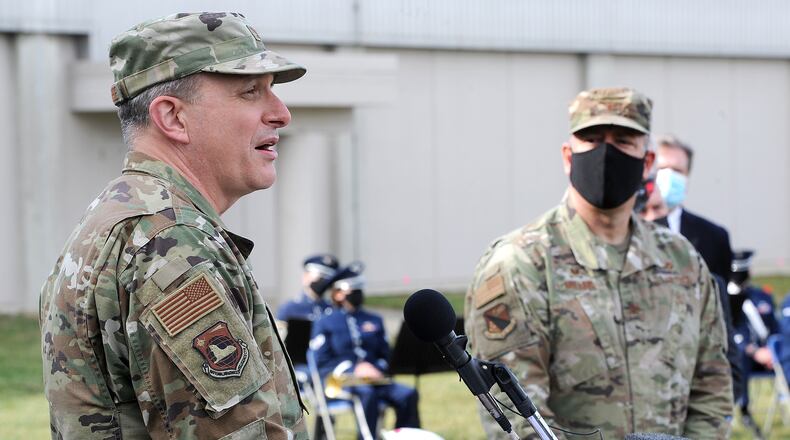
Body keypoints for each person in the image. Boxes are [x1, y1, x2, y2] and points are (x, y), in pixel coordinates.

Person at [39, 12, 309, 439]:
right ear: (172, 117)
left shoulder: (116, 218)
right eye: (250, 92)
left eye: (272, 91)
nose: (280, 114)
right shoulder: (170, 243)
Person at [465, 87, 733, 439]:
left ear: (647, 163)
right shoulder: (521, 264)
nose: (606, 153)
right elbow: (515, 413)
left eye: (623, 141)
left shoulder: (682, 263)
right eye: (591, 139)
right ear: (567, 156)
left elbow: (712, 387)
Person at [310, 263, 420, 438]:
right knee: (367, 395)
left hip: (375, 378)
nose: (357, 295)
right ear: (338, 294)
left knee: (408, 394)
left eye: (359, 290)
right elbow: (320, 360)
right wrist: (353, 370)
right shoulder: (326, 322)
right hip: (341, 381)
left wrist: (377, 368)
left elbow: (386, 354)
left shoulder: (373, 319)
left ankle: (407, 435)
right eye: (352, 290)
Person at [655, 135, 733, 281]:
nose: (669, 176)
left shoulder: (714, 237)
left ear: (687, 176)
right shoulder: (627, 227)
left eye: (677, 170)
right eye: (662, 168)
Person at [728, 250, 779, 433]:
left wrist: (774, 351)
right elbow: (732, 333)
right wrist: (754, 351)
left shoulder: (761, 296)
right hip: (746, 358)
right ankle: (743, 408)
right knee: (739, 356)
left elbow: (776, 328)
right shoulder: (730, 300)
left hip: (772, 357)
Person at [278, 254, 340, 322]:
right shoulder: (290, 308)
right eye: (320, 277)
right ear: (305, 276)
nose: (324, 282)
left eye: (327, 279)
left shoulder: (333, 309)